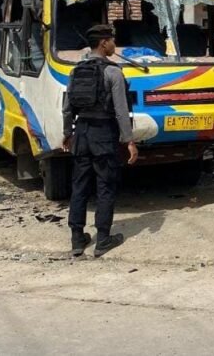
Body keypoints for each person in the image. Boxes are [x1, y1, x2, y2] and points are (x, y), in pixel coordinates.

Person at [62, 24, 138, 258]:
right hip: (103, 133)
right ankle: (103, 239)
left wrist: (68, 133)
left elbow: (67, 108)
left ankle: (77, 238)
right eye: (112, 40)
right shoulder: (113, 72)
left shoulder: (77, 71)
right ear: (104, 43)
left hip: (81, 132)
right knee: (105, 185)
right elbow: (121, 111)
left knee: (80, 185)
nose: (115, 44)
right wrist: (129, 141)